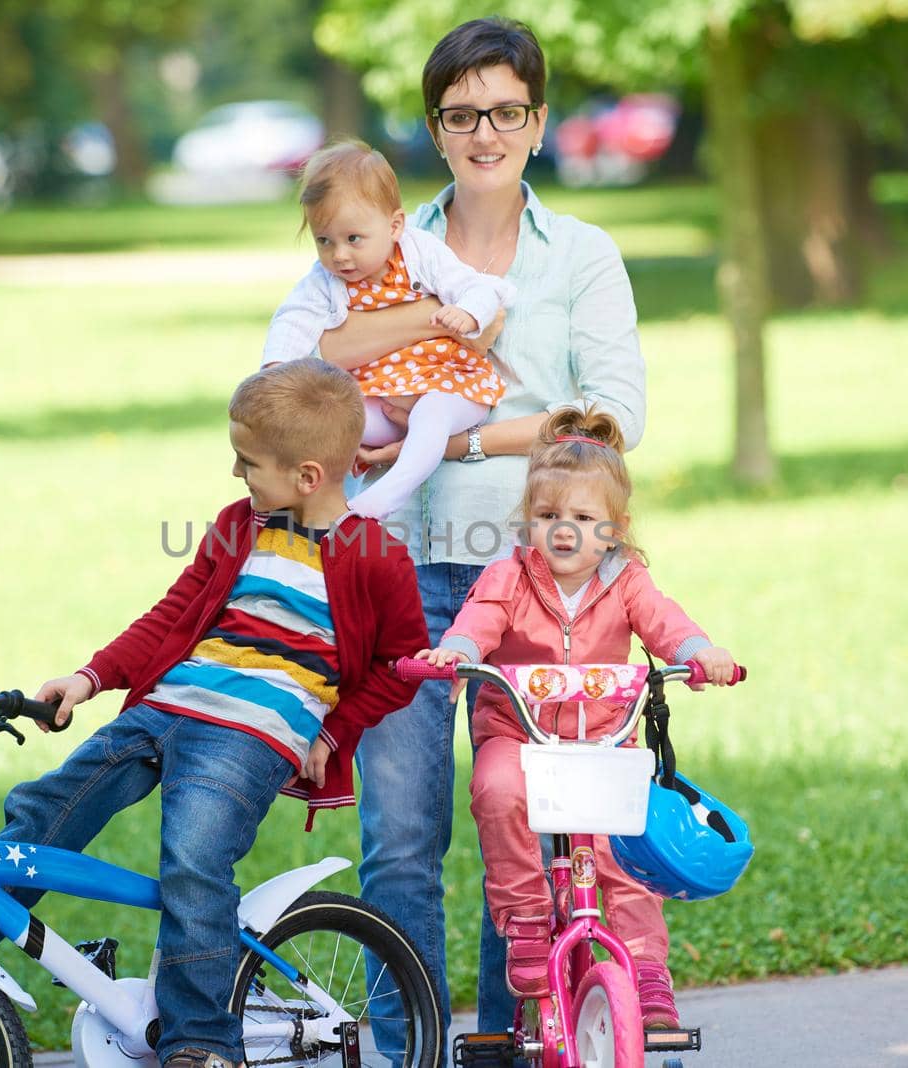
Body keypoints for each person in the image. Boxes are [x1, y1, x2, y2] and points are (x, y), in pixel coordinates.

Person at [0, 359, 429, 1068]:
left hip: (248, 738)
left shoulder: (373, 555)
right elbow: (174, 614)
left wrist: (335, 730)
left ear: (307, 476)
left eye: (248, 462)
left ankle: (202, 1041)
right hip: (167, 708)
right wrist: (93, 677)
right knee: (47, 809)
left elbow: (401, 663)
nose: (236, 473)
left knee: (194, 860)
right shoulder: (241, 526)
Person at [311, 16, 649, 1044]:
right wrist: (443, 350)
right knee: (399, 842)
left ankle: (512, 1043)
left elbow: (611, 421)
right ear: (435, 126)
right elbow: (321, 358)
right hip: (401, 578)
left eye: (505, 111)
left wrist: (453, 440)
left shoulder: (582, 257)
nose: (484, 132)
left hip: (541, 594)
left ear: (538, 122)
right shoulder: (382, 240)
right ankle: (404, 1046)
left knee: (544, 830)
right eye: (462, 115)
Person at [414, 407, 738, 1029]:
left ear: (615, 529)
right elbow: (475, 623)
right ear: (528, 521)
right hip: (521, 735)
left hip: (603, 740)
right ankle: (529, 923)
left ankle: (647, 976)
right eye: (548, 517)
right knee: (496, 788)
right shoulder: (507, 576)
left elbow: (667, 622)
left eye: (584, 520)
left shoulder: (627, 581)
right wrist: (457, 655)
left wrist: (700, 655)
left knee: (625, 855)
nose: (564, 532)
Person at [264, 140, 515, 520]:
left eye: (353, 239)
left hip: (450, 382)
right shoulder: (325, 280)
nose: (339, 255)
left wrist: (467, 312)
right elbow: (294, 317)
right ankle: (288, 502)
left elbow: (477, 287)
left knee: (432, 413)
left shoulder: (420, 252)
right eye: (324, 241)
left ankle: (388, 495)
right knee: (325, 415)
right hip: (378, 393)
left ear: (395, 225)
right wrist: (276, 365)